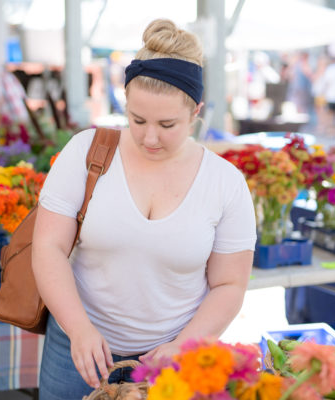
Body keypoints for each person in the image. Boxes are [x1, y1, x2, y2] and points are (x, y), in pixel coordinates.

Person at [32, 19, 257, 400]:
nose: (149, 137)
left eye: (167, 124)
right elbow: (48, 248)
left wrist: (184, 345)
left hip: (172, 361)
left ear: (196, 113)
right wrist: (79, 329)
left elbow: (229, 285)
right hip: (78, 352)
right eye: (137, 120)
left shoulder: (225, 182)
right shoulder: (85, 153)